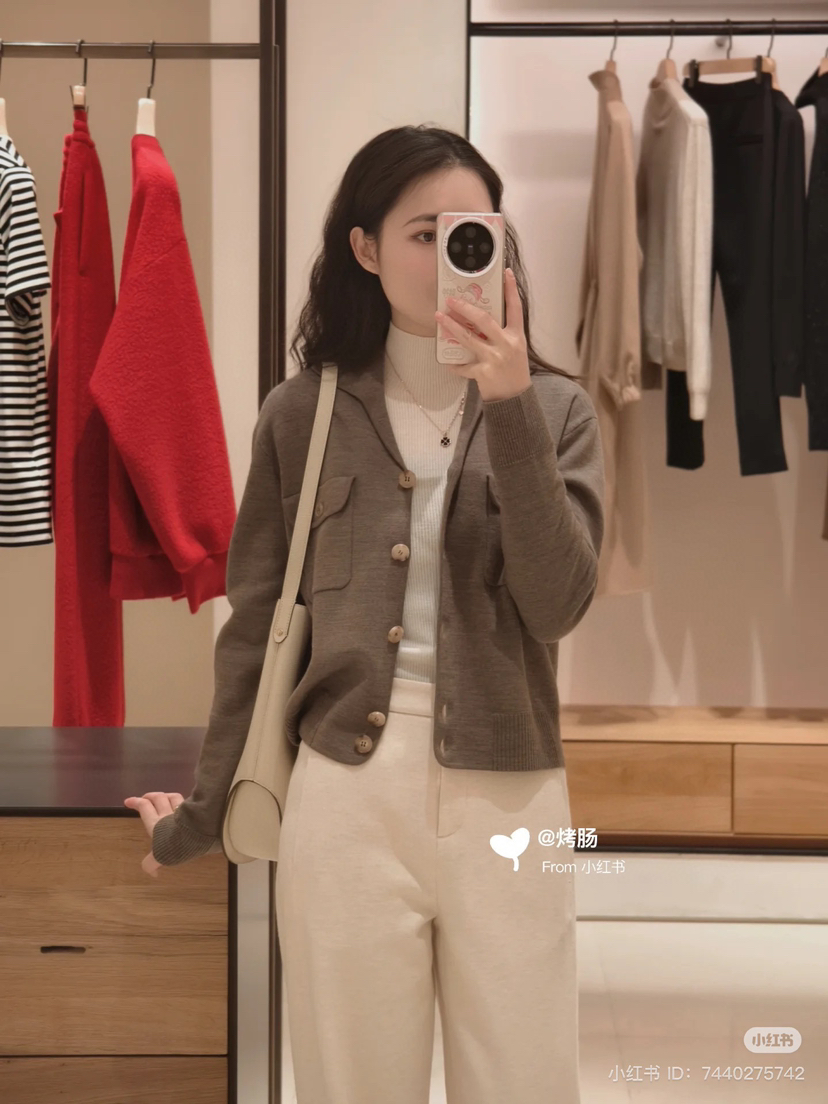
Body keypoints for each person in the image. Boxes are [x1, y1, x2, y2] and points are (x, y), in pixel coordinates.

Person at [125, 123, 605, 1104]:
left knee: (525, 1081)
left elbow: (557, 606)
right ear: (365, 248)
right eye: (424, 233)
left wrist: (510, 406)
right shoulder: (300, 414)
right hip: (343, 800)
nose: (452, 256)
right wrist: (204, 812)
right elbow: (255, 632)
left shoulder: (556, 411)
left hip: (511, 799)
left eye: (474, 232)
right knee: (350, 1084)